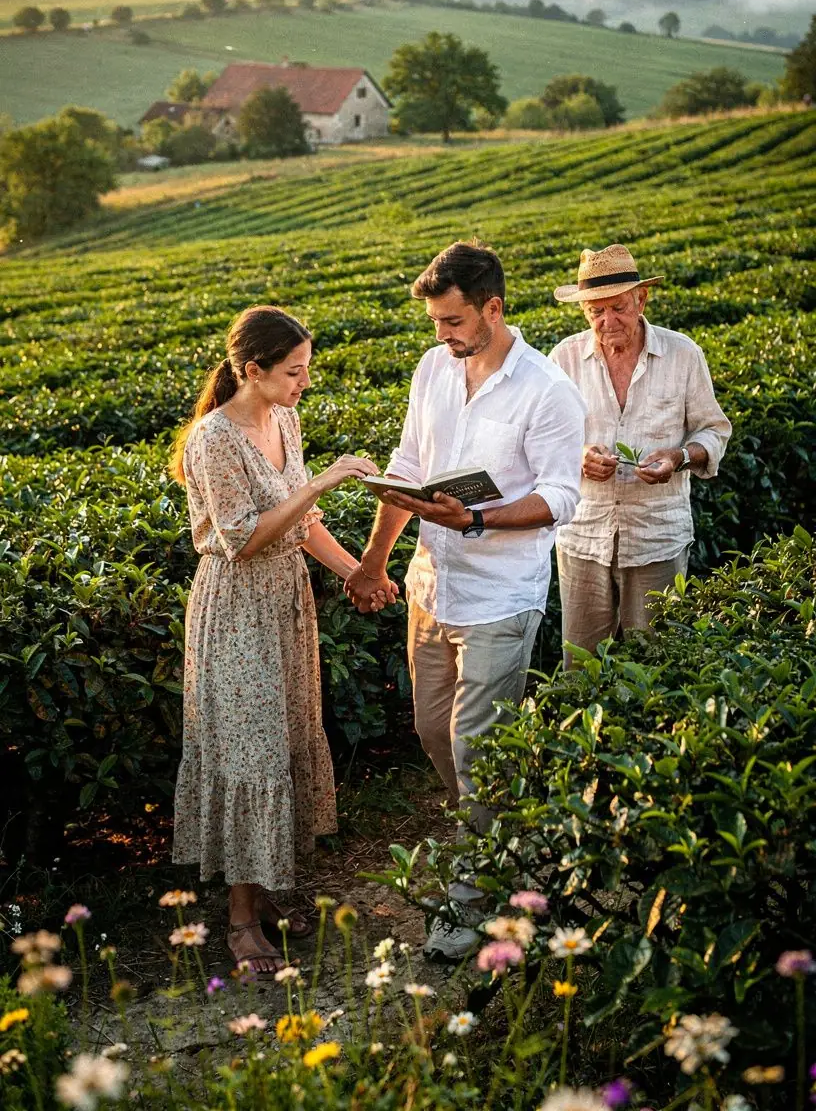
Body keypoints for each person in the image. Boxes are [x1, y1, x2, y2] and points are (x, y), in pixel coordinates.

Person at [345, 242, 586, 960]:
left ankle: (473, 900)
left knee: (476, 747)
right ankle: (510, 840)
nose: (442, 335)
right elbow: (408, 468)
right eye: (435, 322)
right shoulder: (433, 369)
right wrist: (374, 560)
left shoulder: (547, 389)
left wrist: (477, 517)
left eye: (452, 321)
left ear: (493, 309)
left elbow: (561, 496)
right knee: (432, 731)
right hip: (432, 583)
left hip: (501, 595)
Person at [169, 305, 393, 975]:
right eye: (294, 371)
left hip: (286, 599)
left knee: (285, 737)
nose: (304, 382)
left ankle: (264, 894)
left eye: (306, 369)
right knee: (249, 750)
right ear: (253, 369)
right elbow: (242, 538)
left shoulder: (284, 419)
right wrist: (323, 480)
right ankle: (239, 921)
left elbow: (303, 523)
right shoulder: (213, 438)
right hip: (237, 608)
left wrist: (358, 574)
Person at [549, 243, 732, 664]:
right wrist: (578, 456)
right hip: (583, 536)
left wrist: (679, 458)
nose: (608, 320)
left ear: (641, 299)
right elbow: (540, 441)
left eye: (618, 308)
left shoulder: (683, 354)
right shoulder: (564, 359)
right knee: (581, 665)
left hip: (657, 537)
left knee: (655, 661)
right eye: (596, 311)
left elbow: (714, 430)